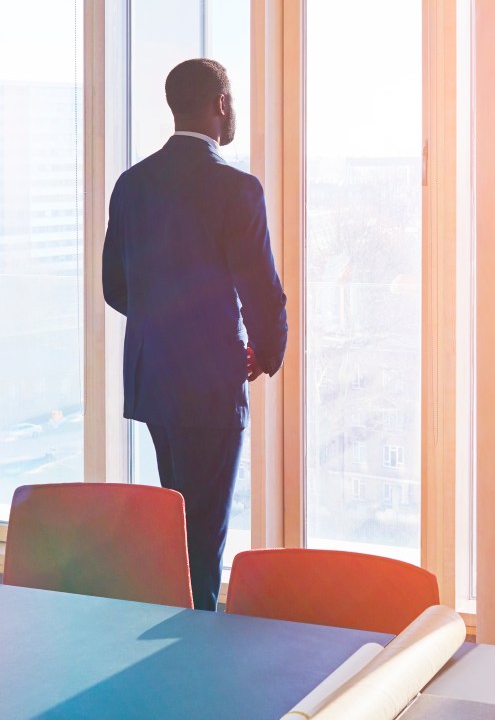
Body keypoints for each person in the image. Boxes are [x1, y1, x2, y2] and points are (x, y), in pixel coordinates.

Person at [102, 58, 287, 612]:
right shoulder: (236, 188)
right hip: (209, 381)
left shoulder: (133, 183)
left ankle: (179, 639)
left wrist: (165, 325)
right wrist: (267, 350)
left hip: (154, 376)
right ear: (221, 104)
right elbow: (259, 284)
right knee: (203, 534)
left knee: (178, 522)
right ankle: (196, 646)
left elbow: (115, 287)